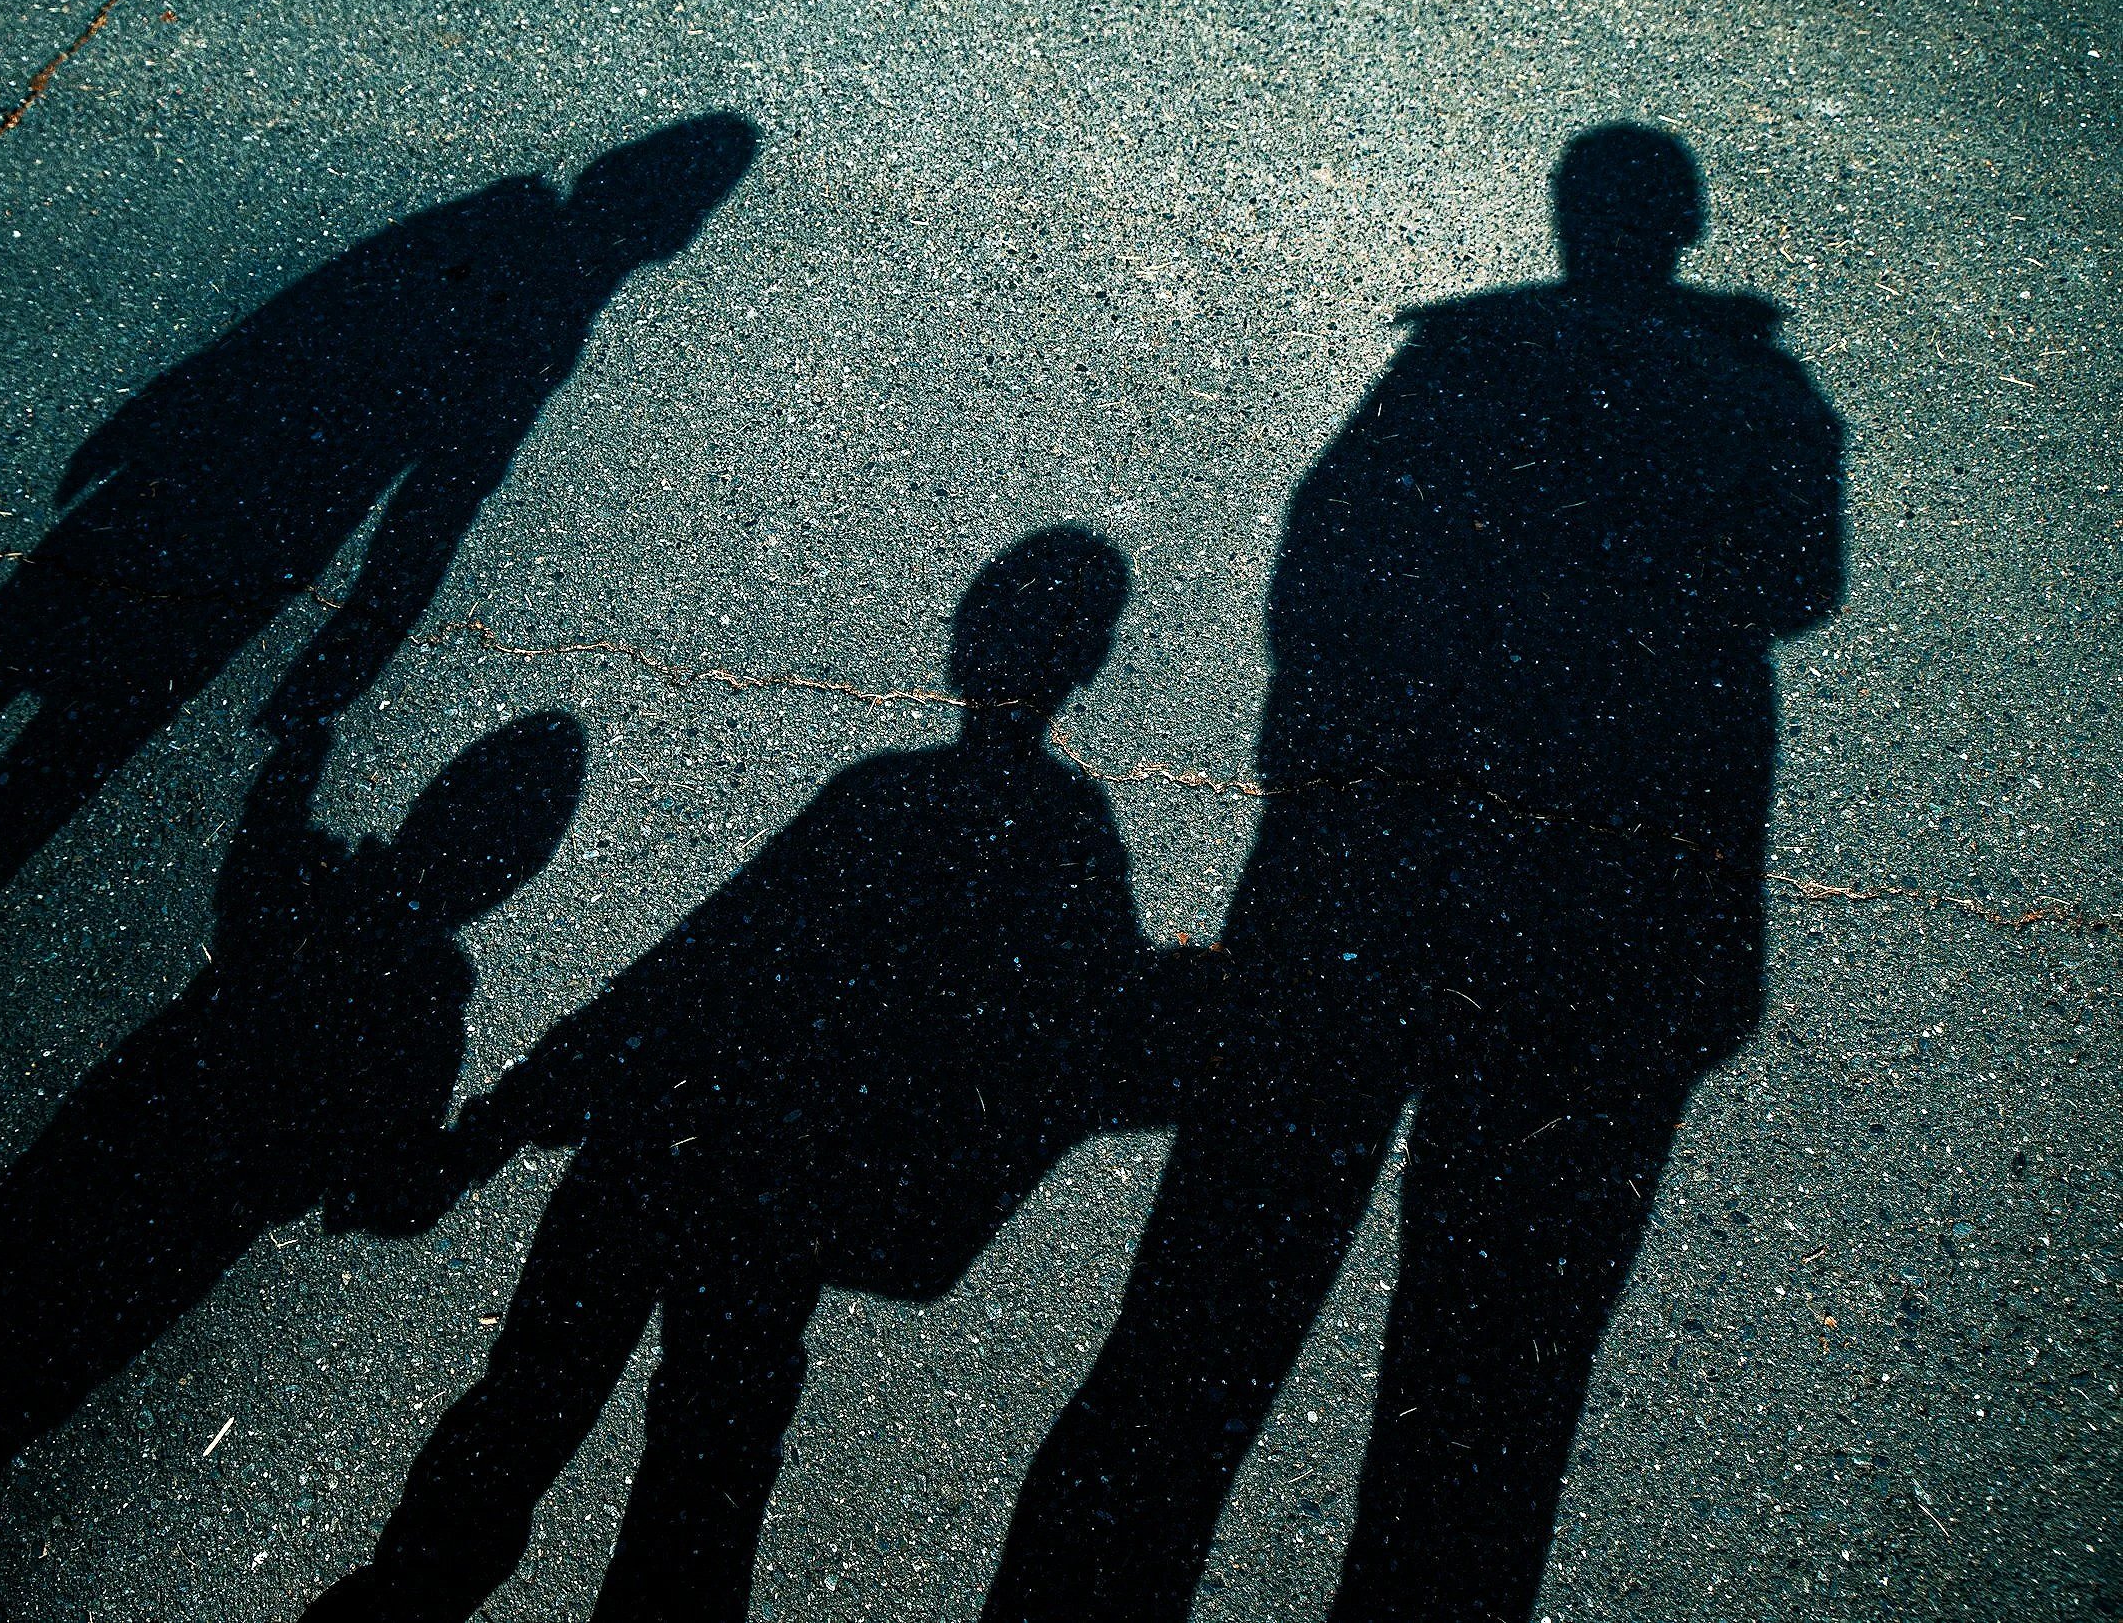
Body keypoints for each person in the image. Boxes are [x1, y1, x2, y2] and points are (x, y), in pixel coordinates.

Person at [0, 115, 756, 1281]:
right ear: (660, 221)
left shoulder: (504, 220)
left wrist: (151, 420)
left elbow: (300, 322)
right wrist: (349, 650)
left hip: (154, 512)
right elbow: (435, 502)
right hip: (217, 588)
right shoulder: (545, 314)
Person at [984, 125, 1844, 1622]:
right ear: (1685, 225)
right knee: (1492, 1386)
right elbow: (1799, 584)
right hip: (1613, 915)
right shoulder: (1760, 395)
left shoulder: (1458, 366)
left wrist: (1318, 801)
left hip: (1373, 879)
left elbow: (1320, 570)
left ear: (1567, 217)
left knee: (1206, 1313)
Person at [308, 526, 1171, 1623]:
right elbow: (1064, 1054)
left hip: (666, 1152)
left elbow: (687, 975)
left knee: (523, 1427)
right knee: (690, 1493)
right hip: (781, 1200)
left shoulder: (905, 801)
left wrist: (488, 1133)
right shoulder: (1060, 838)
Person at [0, 713, 585, 1623]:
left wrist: (296, 755)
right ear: (509, 876)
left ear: (433, 800)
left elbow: (251, 878)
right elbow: (385, 1190)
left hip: (97, 1156)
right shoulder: (425, 1009)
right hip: (169, 1241)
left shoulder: (316, 882)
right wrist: (480, 1140)